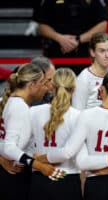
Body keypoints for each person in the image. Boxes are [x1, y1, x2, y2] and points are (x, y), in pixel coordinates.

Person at [36, 71, 108, 200]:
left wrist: (39, 159)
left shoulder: (86, 115)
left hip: (95, 183)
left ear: (101, 89)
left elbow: (81, 162)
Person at [0, 63, 64, 200]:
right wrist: (38, 165)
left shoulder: (14, 102)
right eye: (42, 82)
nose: (46, 88)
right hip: (13, 177)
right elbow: (10, 147)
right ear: (31, 85)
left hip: (13, 172)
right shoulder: (19, 107)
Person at [28, 68, 82, 200]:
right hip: (67, 177)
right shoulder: (79, 116)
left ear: (52, 86)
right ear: (74, 89)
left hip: (39, 176)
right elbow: (72, 154)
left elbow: (23, 146)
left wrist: (38, 160)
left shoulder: (33, 111)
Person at [33, 0, 108, 59]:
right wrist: (60, 38)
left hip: (87, 52)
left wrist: (78, 40)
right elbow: (42, 25)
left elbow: (103, 24)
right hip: (56, 51)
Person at [72, 32, 108, 110]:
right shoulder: (83, 79)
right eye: (102, 51)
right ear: (92, 52)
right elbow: (77, 113)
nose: (107, 55)